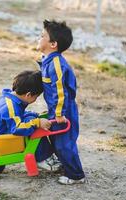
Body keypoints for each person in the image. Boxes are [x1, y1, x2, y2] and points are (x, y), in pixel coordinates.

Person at [36, 19, 85, 184]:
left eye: (42, 36)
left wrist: (59, 114)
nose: (39, 38)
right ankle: (66, 165)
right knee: (57, 141)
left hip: (64, 111)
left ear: (53, 44)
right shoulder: (49, 60)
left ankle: (76, 176)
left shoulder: (56, 64)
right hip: (57, 110)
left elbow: (60, 92)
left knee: (65, 143)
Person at [0, 70, 54, 163]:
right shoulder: (11, 107)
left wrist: (36, 115)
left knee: (31, 119)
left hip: (4, 131)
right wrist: (37, 123)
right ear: (28, 95)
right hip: (2, 139)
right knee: (36, 127)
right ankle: (44, 159)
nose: (36, 99)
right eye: (36, 97)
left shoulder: (11, 98)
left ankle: (44, 156)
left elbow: (18, 116)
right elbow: (17, 128)